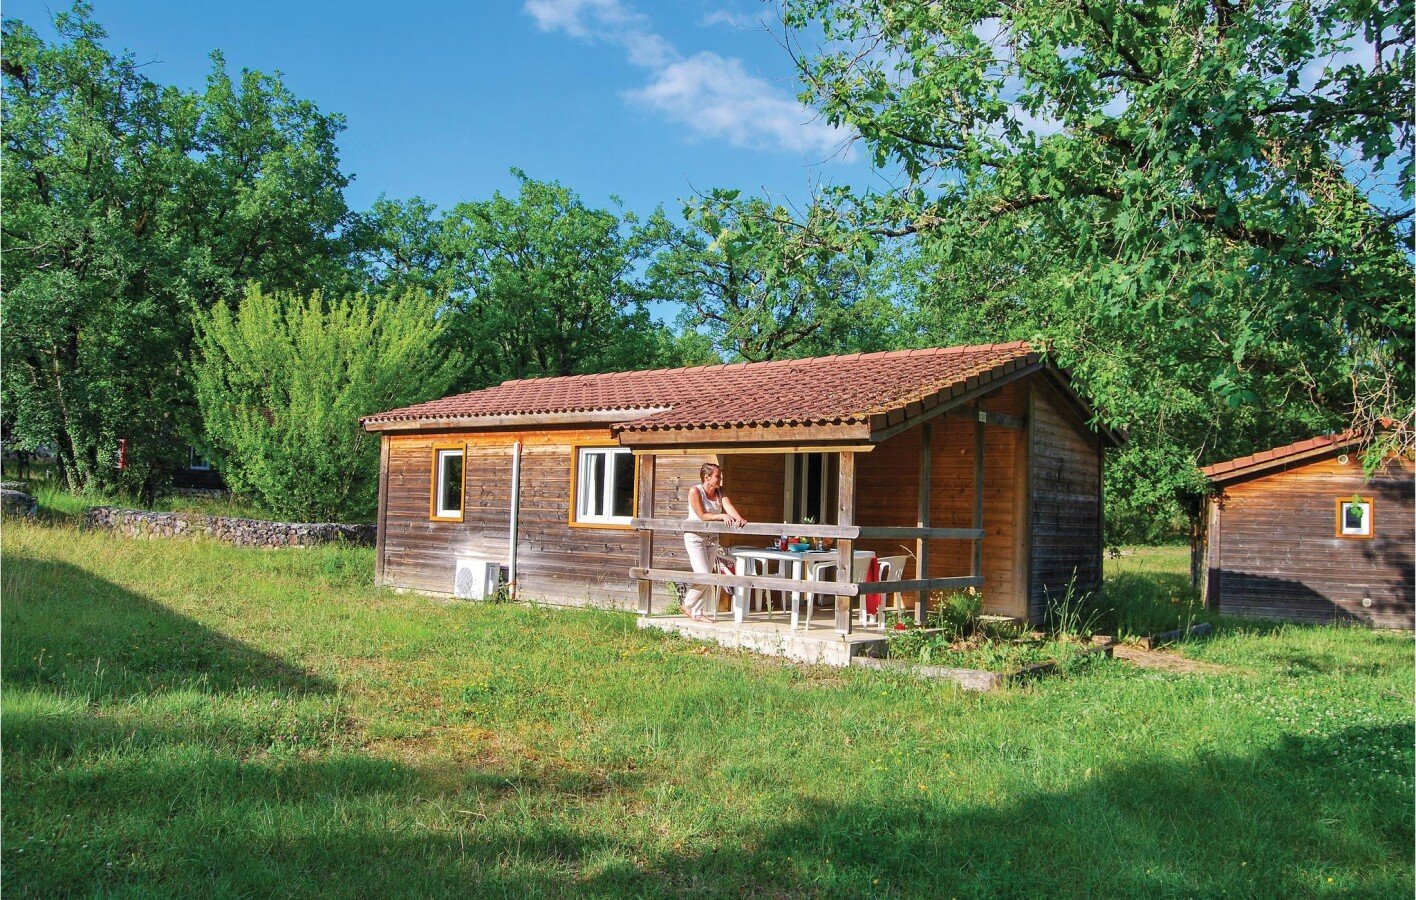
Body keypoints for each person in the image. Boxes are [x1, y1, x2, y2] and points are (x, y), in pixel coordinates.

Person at [682, 463, 747, 621]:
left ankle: (697, 612)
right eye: (718, 476)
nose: (720, 480)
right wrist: (722, 516)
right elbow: (703, 515)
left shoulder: (720, 491)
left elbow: (728, 506)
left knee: (708, 576)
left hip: (712, 537)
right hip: (695, 536)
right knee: (703, 574)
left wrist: (739, 519)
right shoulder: (695, 491)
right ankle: (688, 605)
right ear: (707, 477)